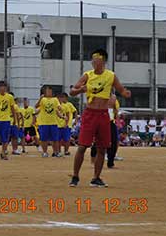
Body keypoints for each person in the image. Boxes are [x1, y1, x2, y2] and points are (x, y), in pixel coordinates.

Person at [69, 49, 131, 188]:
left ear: (102, 61)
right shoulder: (87, 75)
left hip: (104, 115)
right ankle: (75, 176)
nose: (93, 62)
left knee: (102, 148)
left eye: (95, 59)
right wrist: (81, 90)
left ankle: (96, 178)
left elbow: (121, 89)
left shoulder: (111, 76)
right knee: (82, 146)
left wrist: (126, 93)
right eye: (92, 59)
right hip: (90, 113)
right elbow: (72, 91)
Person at [34, 86, 64, 158]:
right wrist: (40, 98)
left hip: (53, 122)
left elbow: (58, 108)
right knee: (44, 139)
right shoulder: (43, 99)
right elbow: (36, 106)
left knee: (55, 139)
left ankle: (55, 152)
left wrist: (60, 110)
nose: (48, 92)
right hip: (44, 122)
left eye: (50, 91)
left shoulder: (55, 99)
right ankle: (45, 152)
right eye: (47, 91)